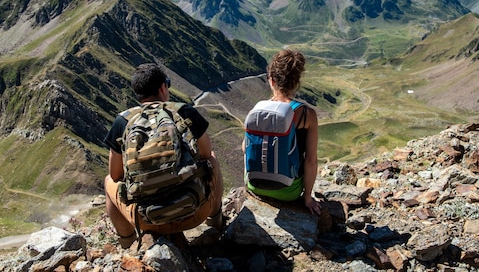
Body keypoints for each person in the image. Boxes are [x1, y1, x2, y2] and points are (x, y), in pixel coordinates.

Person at [104, 63, 224, 249]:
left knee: (108, 182)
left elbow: (115, 174)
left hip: (147, 220)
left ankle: (129, 243)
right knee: (212, 159)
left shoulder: (122, 122)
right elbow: (206, 153)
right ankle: (215, 222)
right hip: (194, 212)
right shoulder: (183, 111)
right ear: (163, 87)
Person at [245, 49, 321, 215]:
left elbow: (246, 148)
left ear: (271, 81)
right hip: (289, 191)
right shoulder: (307, 115)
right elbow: (311, 160)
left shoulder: (258, 110)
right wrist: (307, 197)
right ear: (297, 82)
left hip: (255, 185)